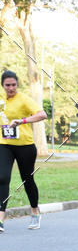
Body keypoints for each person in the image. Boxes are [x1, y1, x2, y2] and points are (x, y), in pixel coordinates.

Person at [0, 70, 47, 233]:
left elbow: (42, 114)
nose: (11, 88)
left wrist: (23, 121)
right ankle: (0, 219)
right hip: (4, 144)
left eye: (13, 85)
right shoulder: (1, 100)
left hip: (25, 146)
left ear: (17, 84)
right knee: (2, 177)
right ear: (3, 85)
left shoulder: (24, 99)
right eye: (8, 85)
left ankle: (34, 212)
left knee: (27, 180)